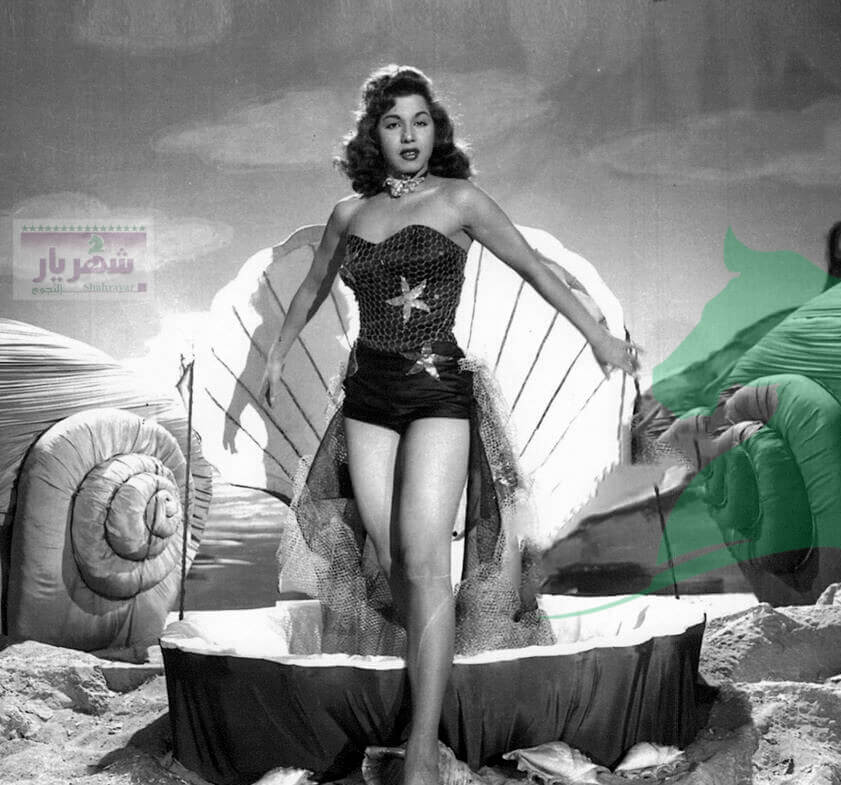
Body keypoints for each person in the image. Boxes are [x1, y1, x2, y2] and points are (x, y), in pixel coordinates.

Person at [260, 64, 641, 785]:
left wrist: (597, 334)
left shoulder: (461, 199)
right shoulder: (349, 214)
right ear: (374, 135)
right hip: (368, 396)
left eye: (421, 120)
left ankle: (423, 745)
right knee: (393, 561)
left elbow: (535, 269)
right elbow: (312, 287)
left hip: (439, 392)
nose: (409, 134)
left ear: (437, 130)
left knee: (428, 562)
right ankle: (438, 667)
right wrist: (278, 353)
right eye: (393, 122)